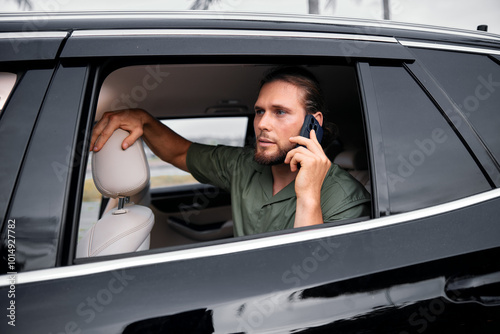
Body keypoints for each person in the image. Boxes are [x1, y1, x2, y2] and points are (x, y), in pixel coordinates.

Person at [90, 66, 370, 236]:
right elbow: (179, 153)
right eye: (259, 111)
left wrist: (309, 197)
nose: (262, 124)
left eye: (280, 112)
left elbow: (315, 285)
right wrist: (144, 119)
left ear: (314, 123)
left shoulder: (347, 199)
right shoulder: (243, 164)